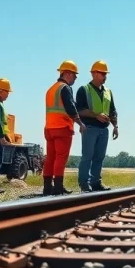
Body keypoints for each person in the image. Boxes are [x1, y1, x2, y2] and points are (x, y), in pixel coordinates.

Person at [76, 60, 118, 192]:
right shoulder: (84, 90)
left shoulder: (108, 92)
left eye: (105, 74)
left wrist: (115, 126)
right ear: (93, 73)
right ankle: (84, 183)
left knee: (99, 158)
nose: (104, 76)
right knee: (87, 156)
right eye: (102, 73)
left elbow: (112, 111)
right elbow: (79, 110)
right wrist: (96, 115)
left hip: (103, 130)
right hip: (90, 128)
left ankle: (96, 183)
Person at [44, 60, 85, 195]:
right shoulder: (65, 88)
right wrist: (80, 123)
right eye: (74, 75)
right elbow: (70, 108)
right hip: (62, 127)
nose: (75, 78)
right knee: (61, 157)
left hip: (49, 128)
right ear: (67, 73)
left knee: (50, 157)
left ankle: (47, 187)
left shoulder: (51, 89)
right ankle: (58, 188)